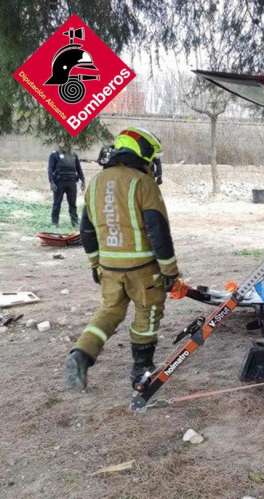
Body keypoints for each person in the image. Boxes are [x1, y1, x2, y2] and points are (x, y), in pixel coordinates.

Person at [64, 127, 180, 391]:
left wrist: (95, 263)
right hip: (142, 270)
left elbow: (86, 230)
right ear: (142, 151)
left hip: (109, 267)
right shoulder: (143, 182)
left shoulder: (96, 183)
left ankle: (81, 354)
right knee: (147, 313)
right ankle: (141, 369)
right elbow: (158, 229)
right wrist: (170, 270)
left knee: (109, 311)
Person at [48, 147, 85, 227]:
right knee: (57, 203)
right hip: (59, 182)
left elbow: (79, 169)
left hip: (71, 182)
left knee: (72, 204)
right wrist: (51, 182)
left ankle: (74, 222)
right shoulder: (54, 154)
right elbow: (50, 169)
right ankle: (55, 222)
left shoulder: (74, 155)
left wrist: (83, 181)